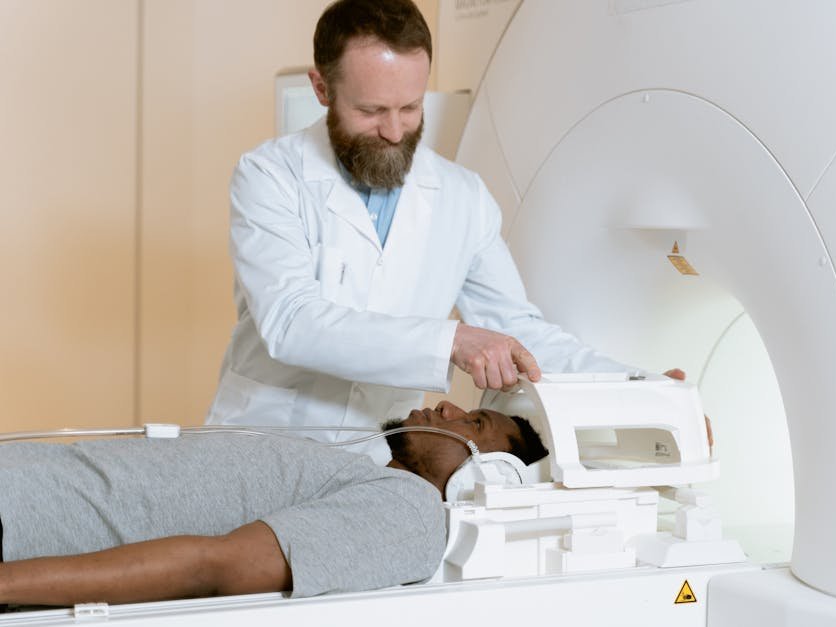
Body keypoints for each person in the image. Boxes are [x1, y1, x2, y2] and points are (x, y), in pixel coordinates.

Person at [205, 0, 630, 460]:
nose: (393, 130)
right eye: (371, 110)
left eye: (410, 107)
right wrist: (451, 341)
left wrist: (638, 387)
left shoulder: (463, 196)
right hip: (262, 443)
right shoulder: (269, 175)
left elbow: (519, 332)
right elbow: (292, 321)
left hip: (379, 461)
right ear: (321, 88)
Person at [0, 403, 547, 609]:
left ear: (489, 472)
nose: (448, 406)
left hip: (15, 528)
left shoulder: (411, 515)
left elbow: (213, 567)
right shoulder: (365, 474)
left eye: (473, 423)